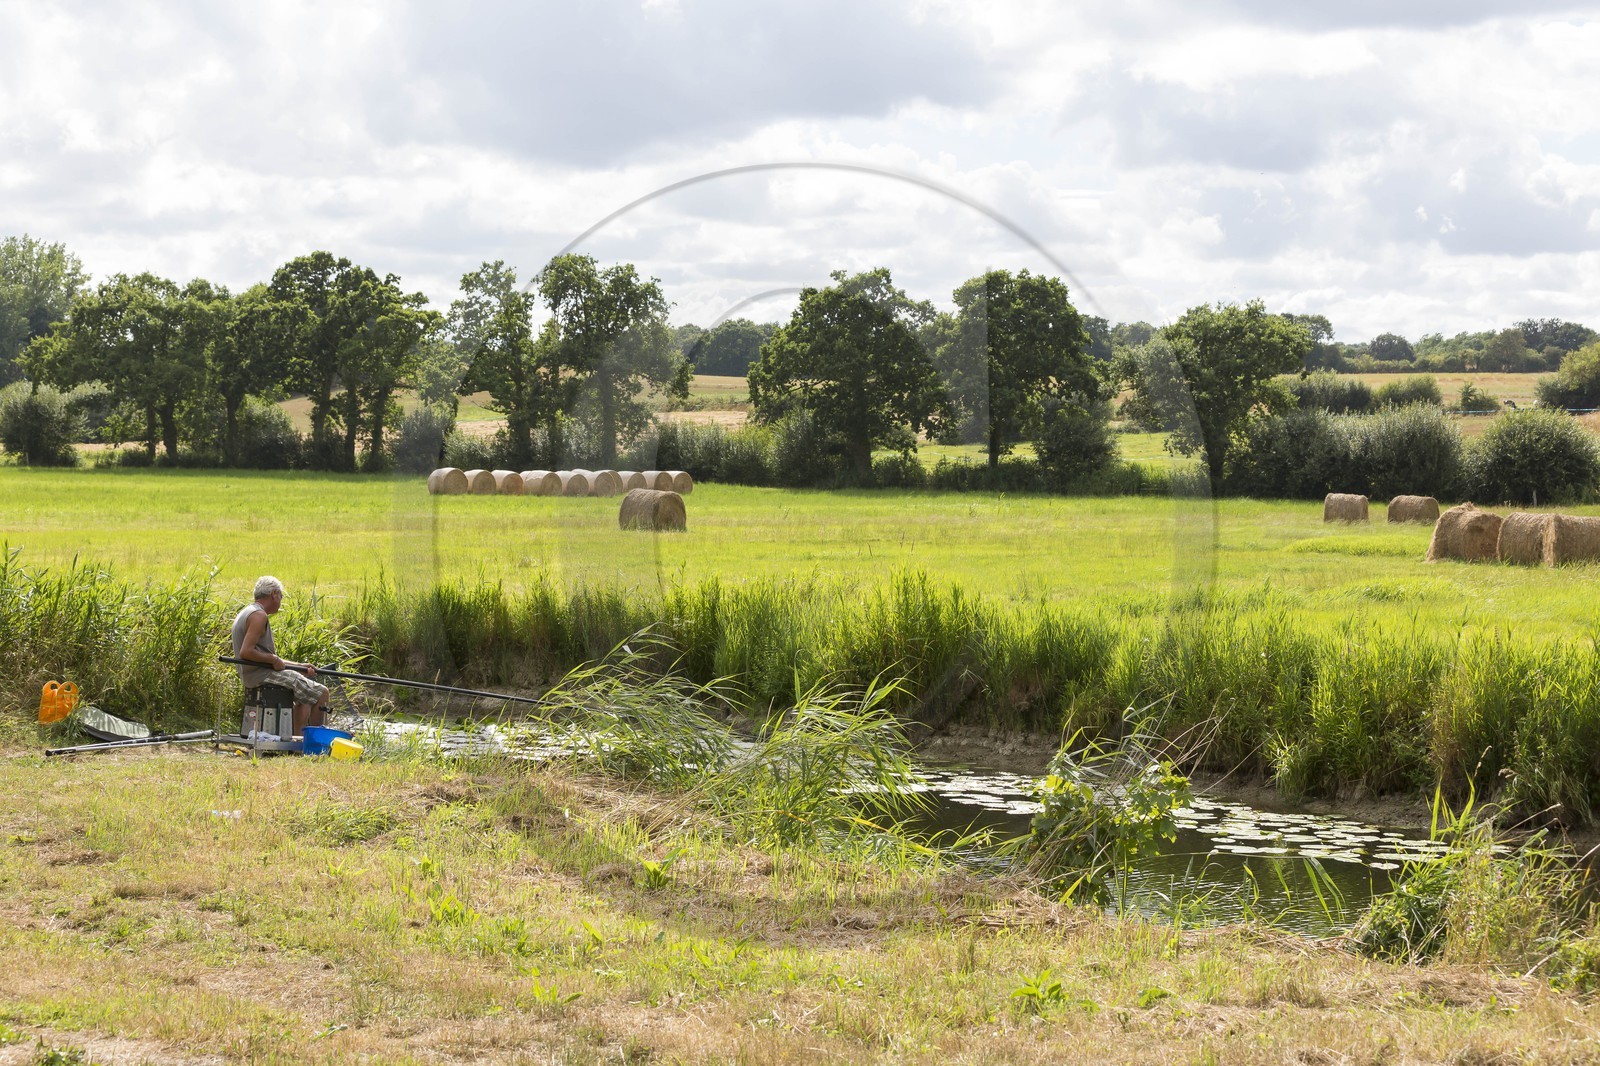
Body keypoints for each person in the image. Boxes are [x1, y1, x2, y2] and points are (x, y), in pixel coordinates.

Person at [231, 576, 329, 736]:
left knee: (304, 698)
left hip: (256, 673)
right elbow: (246, 652)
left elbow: (262, 654)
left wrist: (298, 667)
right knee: (321, 692)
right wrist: (273, 659)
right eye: (281, 597)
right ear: (274, 594)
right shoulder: (259, 616)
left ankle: (297, 743)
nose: (281, 600)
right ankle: (317, 746)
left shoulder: (247, 611)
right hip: (261, 675)